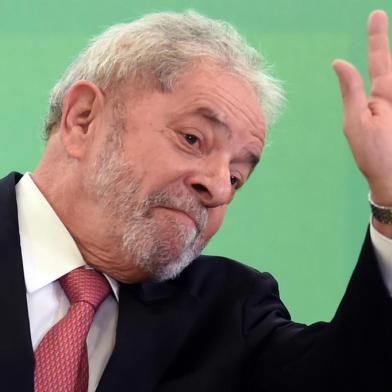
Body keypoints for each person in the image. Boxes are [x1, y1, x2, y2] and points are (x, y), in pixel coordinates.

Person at [1, 8, 392, 392]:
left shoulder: (227, 314)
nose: (220, 189)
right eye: (192, 139)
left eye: (237, 177)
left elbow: (349, 376)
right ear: (84, 118)